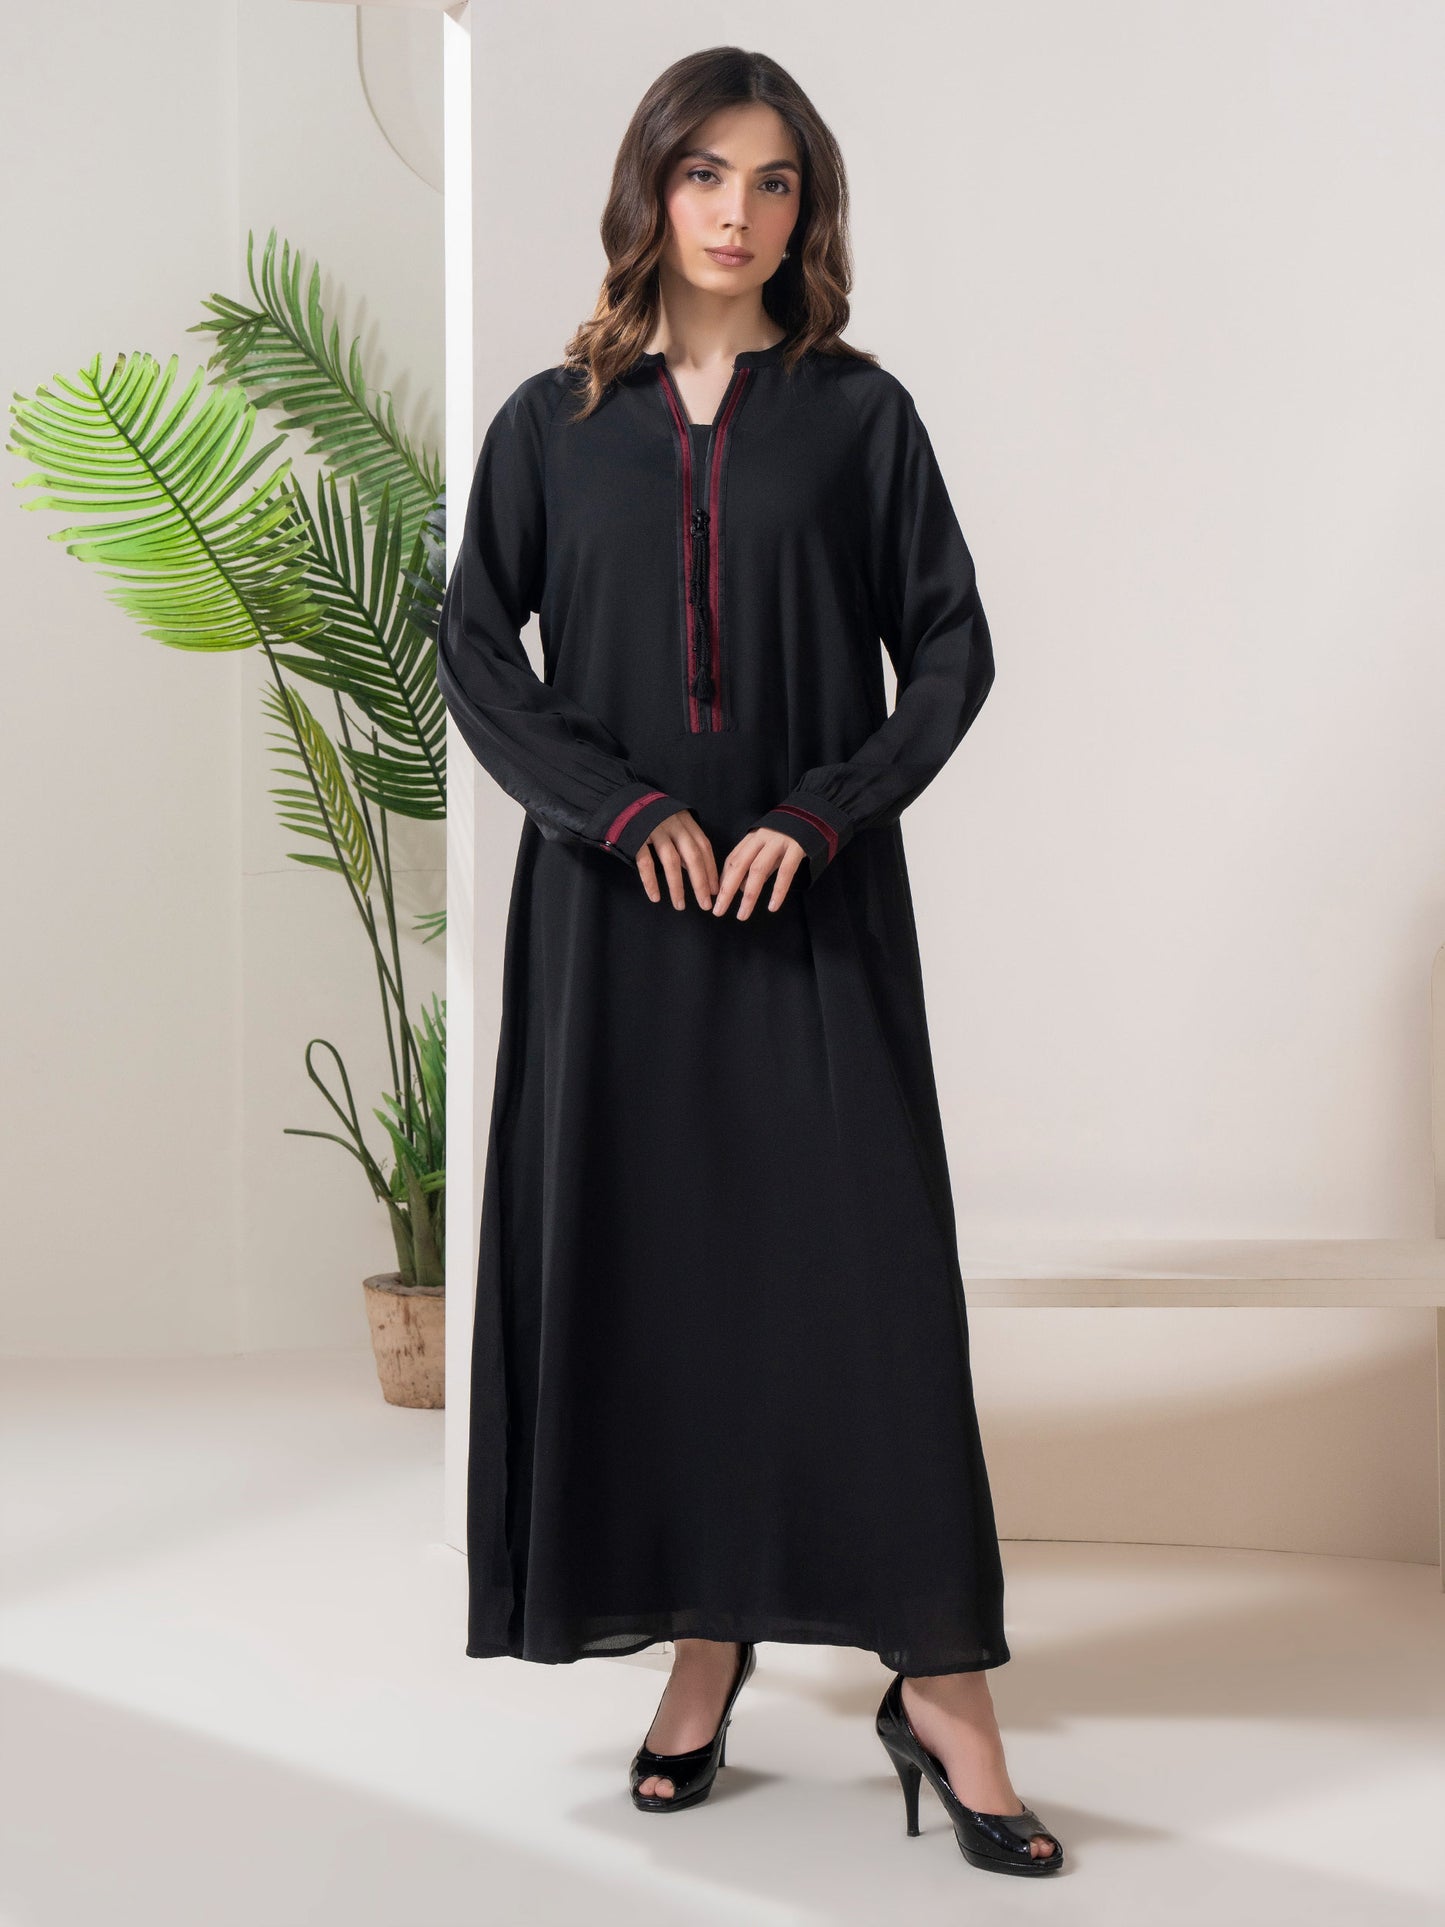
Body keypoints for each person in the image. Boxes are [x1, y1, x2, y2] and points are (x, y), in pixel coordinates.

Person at [436, 45, 1064, 1879]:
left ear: (810, 209)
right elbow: (476, 649)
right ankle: (701, 1646)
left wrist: (825, 810)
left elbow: (946, 648)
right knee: (659, 1277)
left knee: (866, 1289)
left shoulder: (856, 417)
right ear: (651, 189)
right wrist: (618, 810)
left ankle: (940, 1688)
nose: (737, 210)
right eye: (705, 173)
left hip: (811, 909)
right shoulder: (553, 423)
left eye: (774, 180)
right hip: (616, 926)